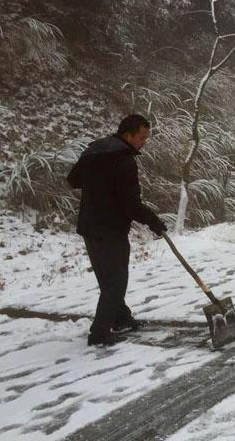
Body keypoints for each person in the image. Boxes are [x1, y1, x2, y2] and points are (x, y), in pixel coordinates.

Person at [67, 114, 167, 347]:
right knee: (116, 279)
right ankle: (99, 332)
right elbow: (130, 203)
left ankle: (120, 317)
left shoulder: (94, 151)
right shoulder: (123, 159)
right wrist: (153, 221)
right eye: (142, 137)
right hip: (110, 228)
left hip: (90, 226)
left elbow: (73, 180)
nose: (144, 143)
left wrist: (99, 183)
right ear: (127, 135)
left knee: (108, 277)